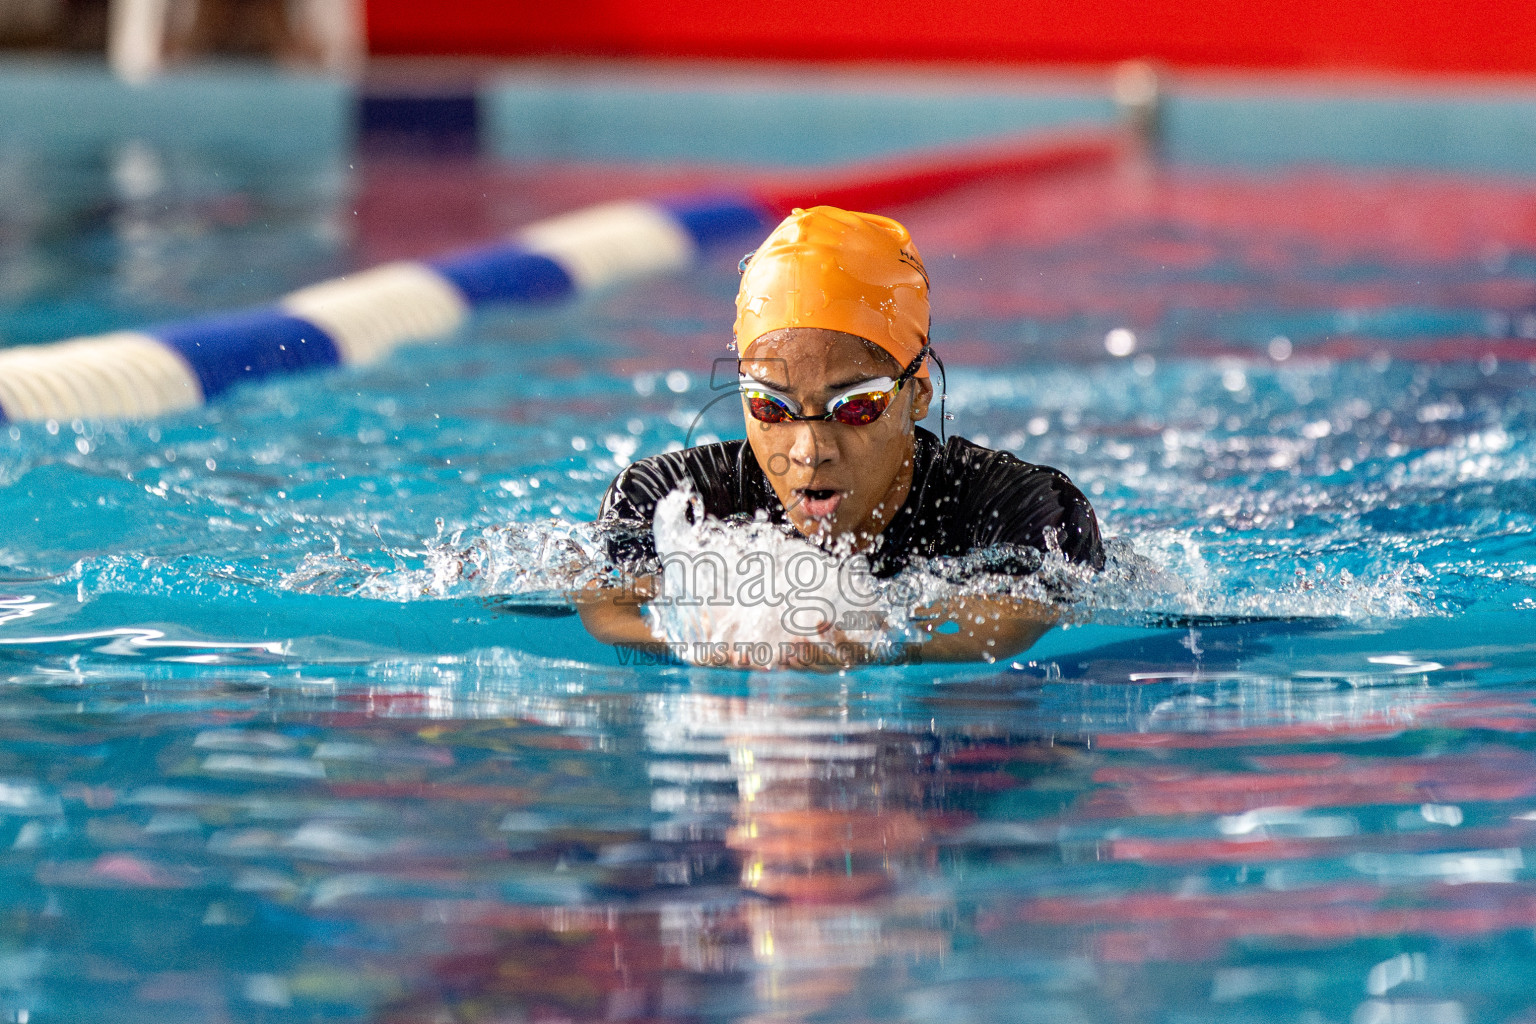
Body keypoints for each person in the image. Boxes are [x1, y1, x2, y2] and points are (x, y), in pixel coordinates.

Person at [577, 205, 1103, 666]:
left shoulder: (1020, 506)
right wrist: (707, 639)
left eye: (853, 407)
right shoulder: (671, 496)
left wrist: (876, 643)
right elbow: (612, 610)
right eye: (770, 406)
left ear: (918, 393)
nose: (809, 452)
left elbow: (1011, 621)